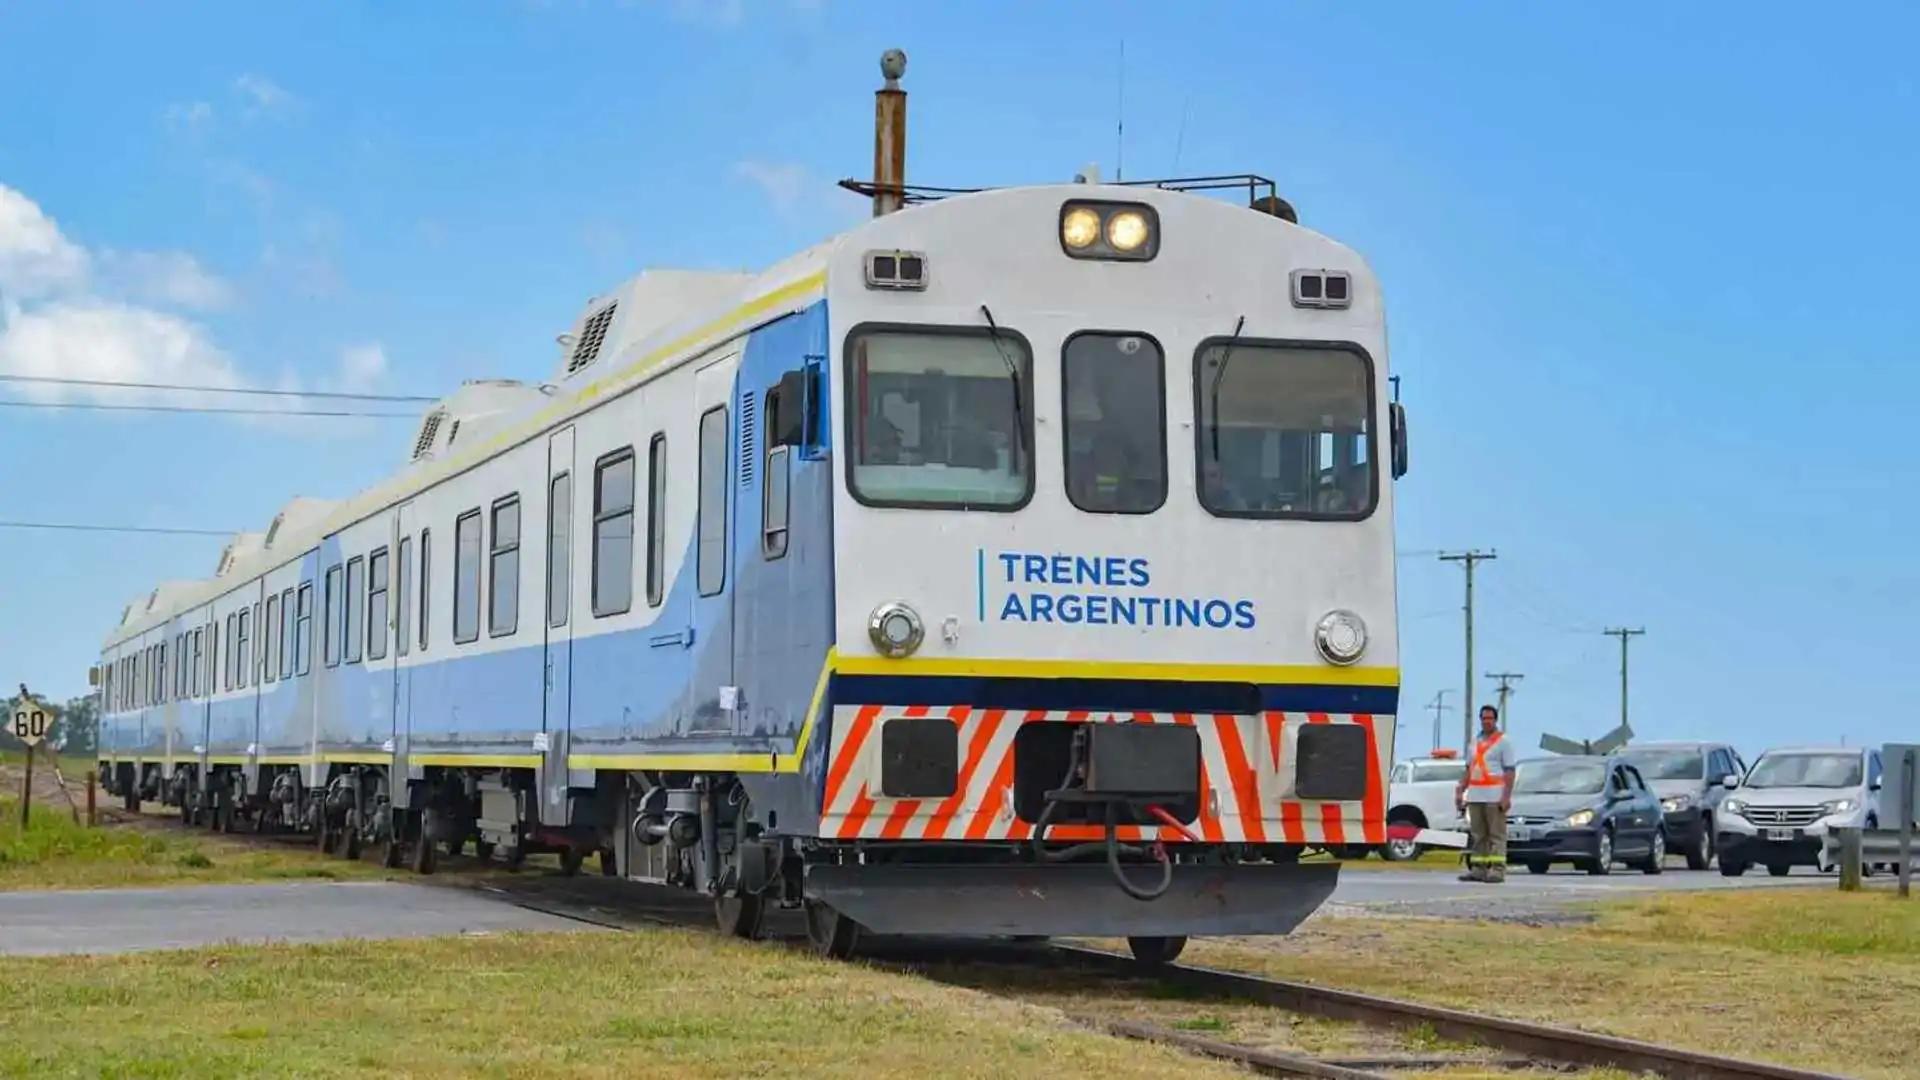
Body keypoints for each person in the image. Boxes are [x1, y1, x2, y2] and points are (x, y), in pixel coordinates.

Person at [1455, 704, 1515, 882]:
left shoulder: (1504, 742)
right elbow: (1469, 769)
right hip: (1475, 795)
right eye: (1484, 718)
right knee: (1478, 835)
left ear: (1495, 720)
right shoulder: (1474, 742)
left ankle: (1497, 869)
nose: (1486, 721)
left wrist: (1506, 797)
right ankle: (1478, 869)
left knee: (1496, 834)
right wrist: (1461, 790)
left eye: (1490, 718)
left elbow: (1510, 771)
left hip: (1494, 795)